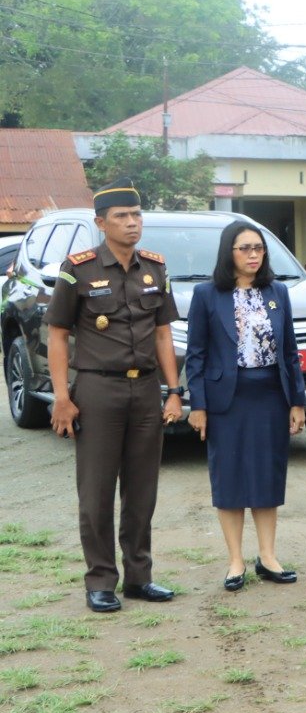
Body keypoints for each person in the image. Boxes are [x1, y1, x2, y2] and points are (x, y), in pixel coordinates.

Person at [45, 179, 184, 613]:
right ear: (101, 223)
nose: (132, 223)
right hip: (98, 389)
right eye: (121, 217)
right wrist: (62, 397)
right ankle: (101, 580)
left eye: (136, 215)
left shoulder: (155, 268)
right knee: (97, 491)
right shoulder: (79, 268)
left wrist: (174, 391)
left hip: (145, 390)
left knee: (142, 490)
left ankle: (139, 577)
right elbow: (57, 335)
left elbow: (163, 334)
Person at [185, 221, 306, 591]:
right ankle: (236, 560)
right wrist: (198, 405)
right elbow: (196, 354)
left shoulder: (277, 291)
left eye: (259, 248)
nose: (254, 255)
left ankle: (268, 557)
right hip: (227, 399)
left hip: (271, 395)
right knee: (230, 478)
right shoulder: (207, 294)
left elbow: (290, 351)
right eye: (245, 248)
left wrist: (297, 401)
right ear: (229, 252)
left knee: (267, 475)